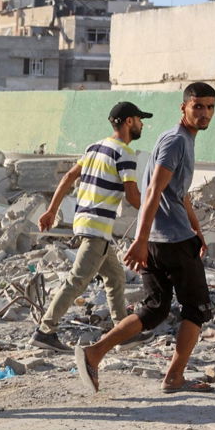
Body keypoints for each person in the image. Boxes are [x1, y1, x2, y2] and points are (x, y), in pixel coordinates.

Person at [77, 82, 215, 395]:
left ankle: (94, 353)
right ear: (183, 108)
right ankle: (174, 378)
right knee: (197, 309)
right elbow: (153, 190)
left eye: (209, 107)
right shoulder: (176, 142)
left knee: (154, 308)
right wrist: (140, 240)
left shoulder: (181, 140)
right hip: (169, 240)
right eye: (198, 107)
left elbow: (177, 194)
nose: (204, 113)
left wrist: (197, 229)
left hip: (165, 238)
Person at [32, 103, 146, 352]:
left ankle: (120, 332)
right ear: (128, 122)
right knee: (77, 280)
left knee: (115, 276)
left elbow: (68, 177)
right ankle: (44, 331)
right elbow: (132, 196)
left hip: (85, 222)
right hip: (97, 226)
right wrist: (154, 211)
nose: (142, 124)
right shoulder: (125, 153)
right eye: (139, 119)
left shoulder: (94, 147)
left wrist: (52, 210)